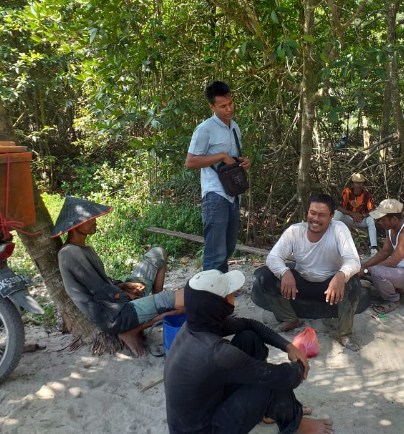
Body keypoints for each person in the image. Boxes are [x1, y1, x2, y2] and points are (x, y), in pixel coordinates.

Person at [164, 269, 334, 434]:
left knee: (249, 337)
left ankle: (268, 410)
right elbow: (283, 378)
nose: (235, 294)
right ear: (218, 306)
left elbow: (251, 325)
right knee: (271, 382)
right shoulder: (218, 353)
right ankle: (297, 426)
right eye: (230, 293)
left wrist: (288, 347)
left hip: (205, 406)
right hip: (205, 429)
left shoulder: (195, 326)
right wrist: (300, 366)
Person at [51, 196, 184, 357]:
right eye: (89, 219)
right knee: (182, 299)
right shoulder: (70, 253)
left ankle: (157, 302)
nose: (95, 221)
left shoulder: (83, 249)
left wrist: (124, 286)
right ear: (74, 225)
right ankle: (136, 326)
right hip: (115, 314)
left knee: (158, 254)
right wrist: (127, 295)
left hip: (118, 301)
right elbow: (100, 291)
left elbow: (103, 281)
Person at [252, 193, 363, 352]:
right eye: (312, 213)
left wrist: (340, 275)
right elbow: (273, 257)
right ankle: (289, 318)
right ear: (307, 213)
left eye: (322, 215)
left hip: (330, 286)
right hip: (301, 283)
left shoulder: (339, 229)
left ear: (331, 217)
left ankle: (344, 333)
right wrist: (284, 272)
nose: (316, 219)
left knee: (353, 283)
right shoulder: (295, 230)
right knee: (264, 276)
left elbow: (353, 260)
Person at [185, 80, 251, 273]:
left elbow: (233, 159)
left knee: (229, 245)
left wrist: (244, 162)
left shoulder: (234, 127)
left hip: (233, 193)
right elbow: (190, 162)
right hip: (215, 194)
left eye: (230, 103)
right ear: (212, 107)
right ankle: (211, 294)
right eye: (223, 106)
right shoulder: (205, 129)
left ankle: (221, 285)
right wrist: (221, 156)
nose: (229, 109)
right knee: (215, 249)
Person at [359, 199, 404, 311]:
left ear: (394, 219)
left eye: (382, 220)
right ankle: (395, 288)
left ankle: (393, 299)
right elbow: (384, 253)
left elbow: (392, 261)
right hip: (399, 270)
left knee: (376, 271)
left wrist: (366, 270)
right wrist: (363, 265)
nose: (380, 222)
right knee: (360, 264)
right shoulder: (391, 230)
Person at [333, 173, 378, 255]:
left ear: (363, 184)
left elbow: (373, 211)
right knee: (337, 213)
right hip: (349, 218)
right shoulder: (347, 192)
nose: (359, 185)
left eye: (361, 183)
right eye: (356, 183)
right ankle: (331, 239)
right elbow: (339, 207)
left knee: (371, 220)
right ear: (352, 183)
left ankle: (373, 248)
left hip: (361, 220)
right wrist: (352, 213)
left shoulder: (367, 195)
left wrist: (363, 215)